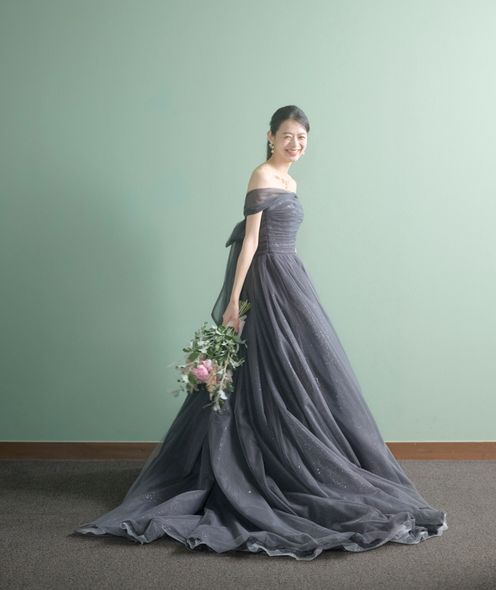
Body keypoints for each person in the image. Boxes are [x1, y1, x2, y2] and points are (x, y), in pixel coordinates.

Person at [74, 105, 448, 560]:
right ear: (270, 136)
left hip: (291, 277)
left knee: (301, 368)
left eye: (302, 138)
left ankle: (292, 456)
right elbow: (251, 240)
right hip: (267, 280)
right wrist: (235, 301)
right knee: (264, 367)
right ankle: (252, 462)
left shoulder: (291, 182)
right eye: (287, 135)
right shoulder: (262, 175)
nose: (295, 144)